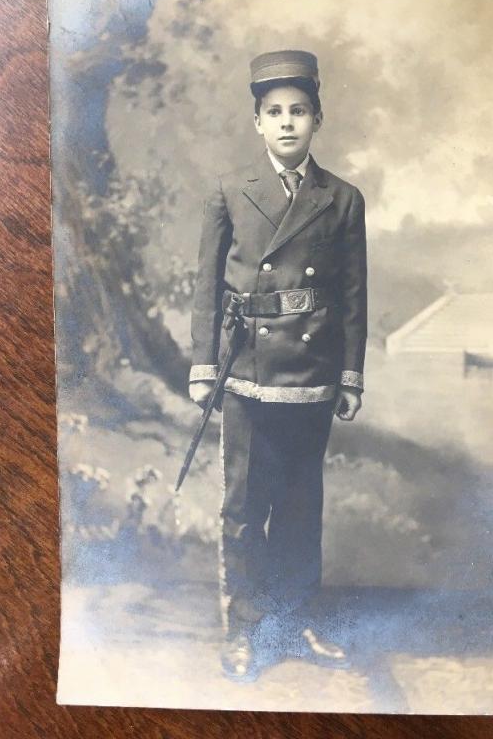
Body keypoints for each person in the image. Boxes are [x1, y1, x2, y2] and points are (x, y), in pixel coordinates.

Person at [188, 50, 367, 682]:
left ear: (318, 119)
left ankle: (297, 619)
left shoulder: (342, 199)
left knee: (300, 501)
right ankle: (243, 626)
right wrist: (203, 365)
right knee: (244, 503)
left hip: (313, 372)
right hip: (246, 370)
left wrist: (350, 375)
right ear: (257, 122)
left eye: (299, 111)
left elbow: (351, 294)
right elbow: (207, 283)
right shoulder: (229, 192)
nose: (287, 122)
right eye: (274, 112)